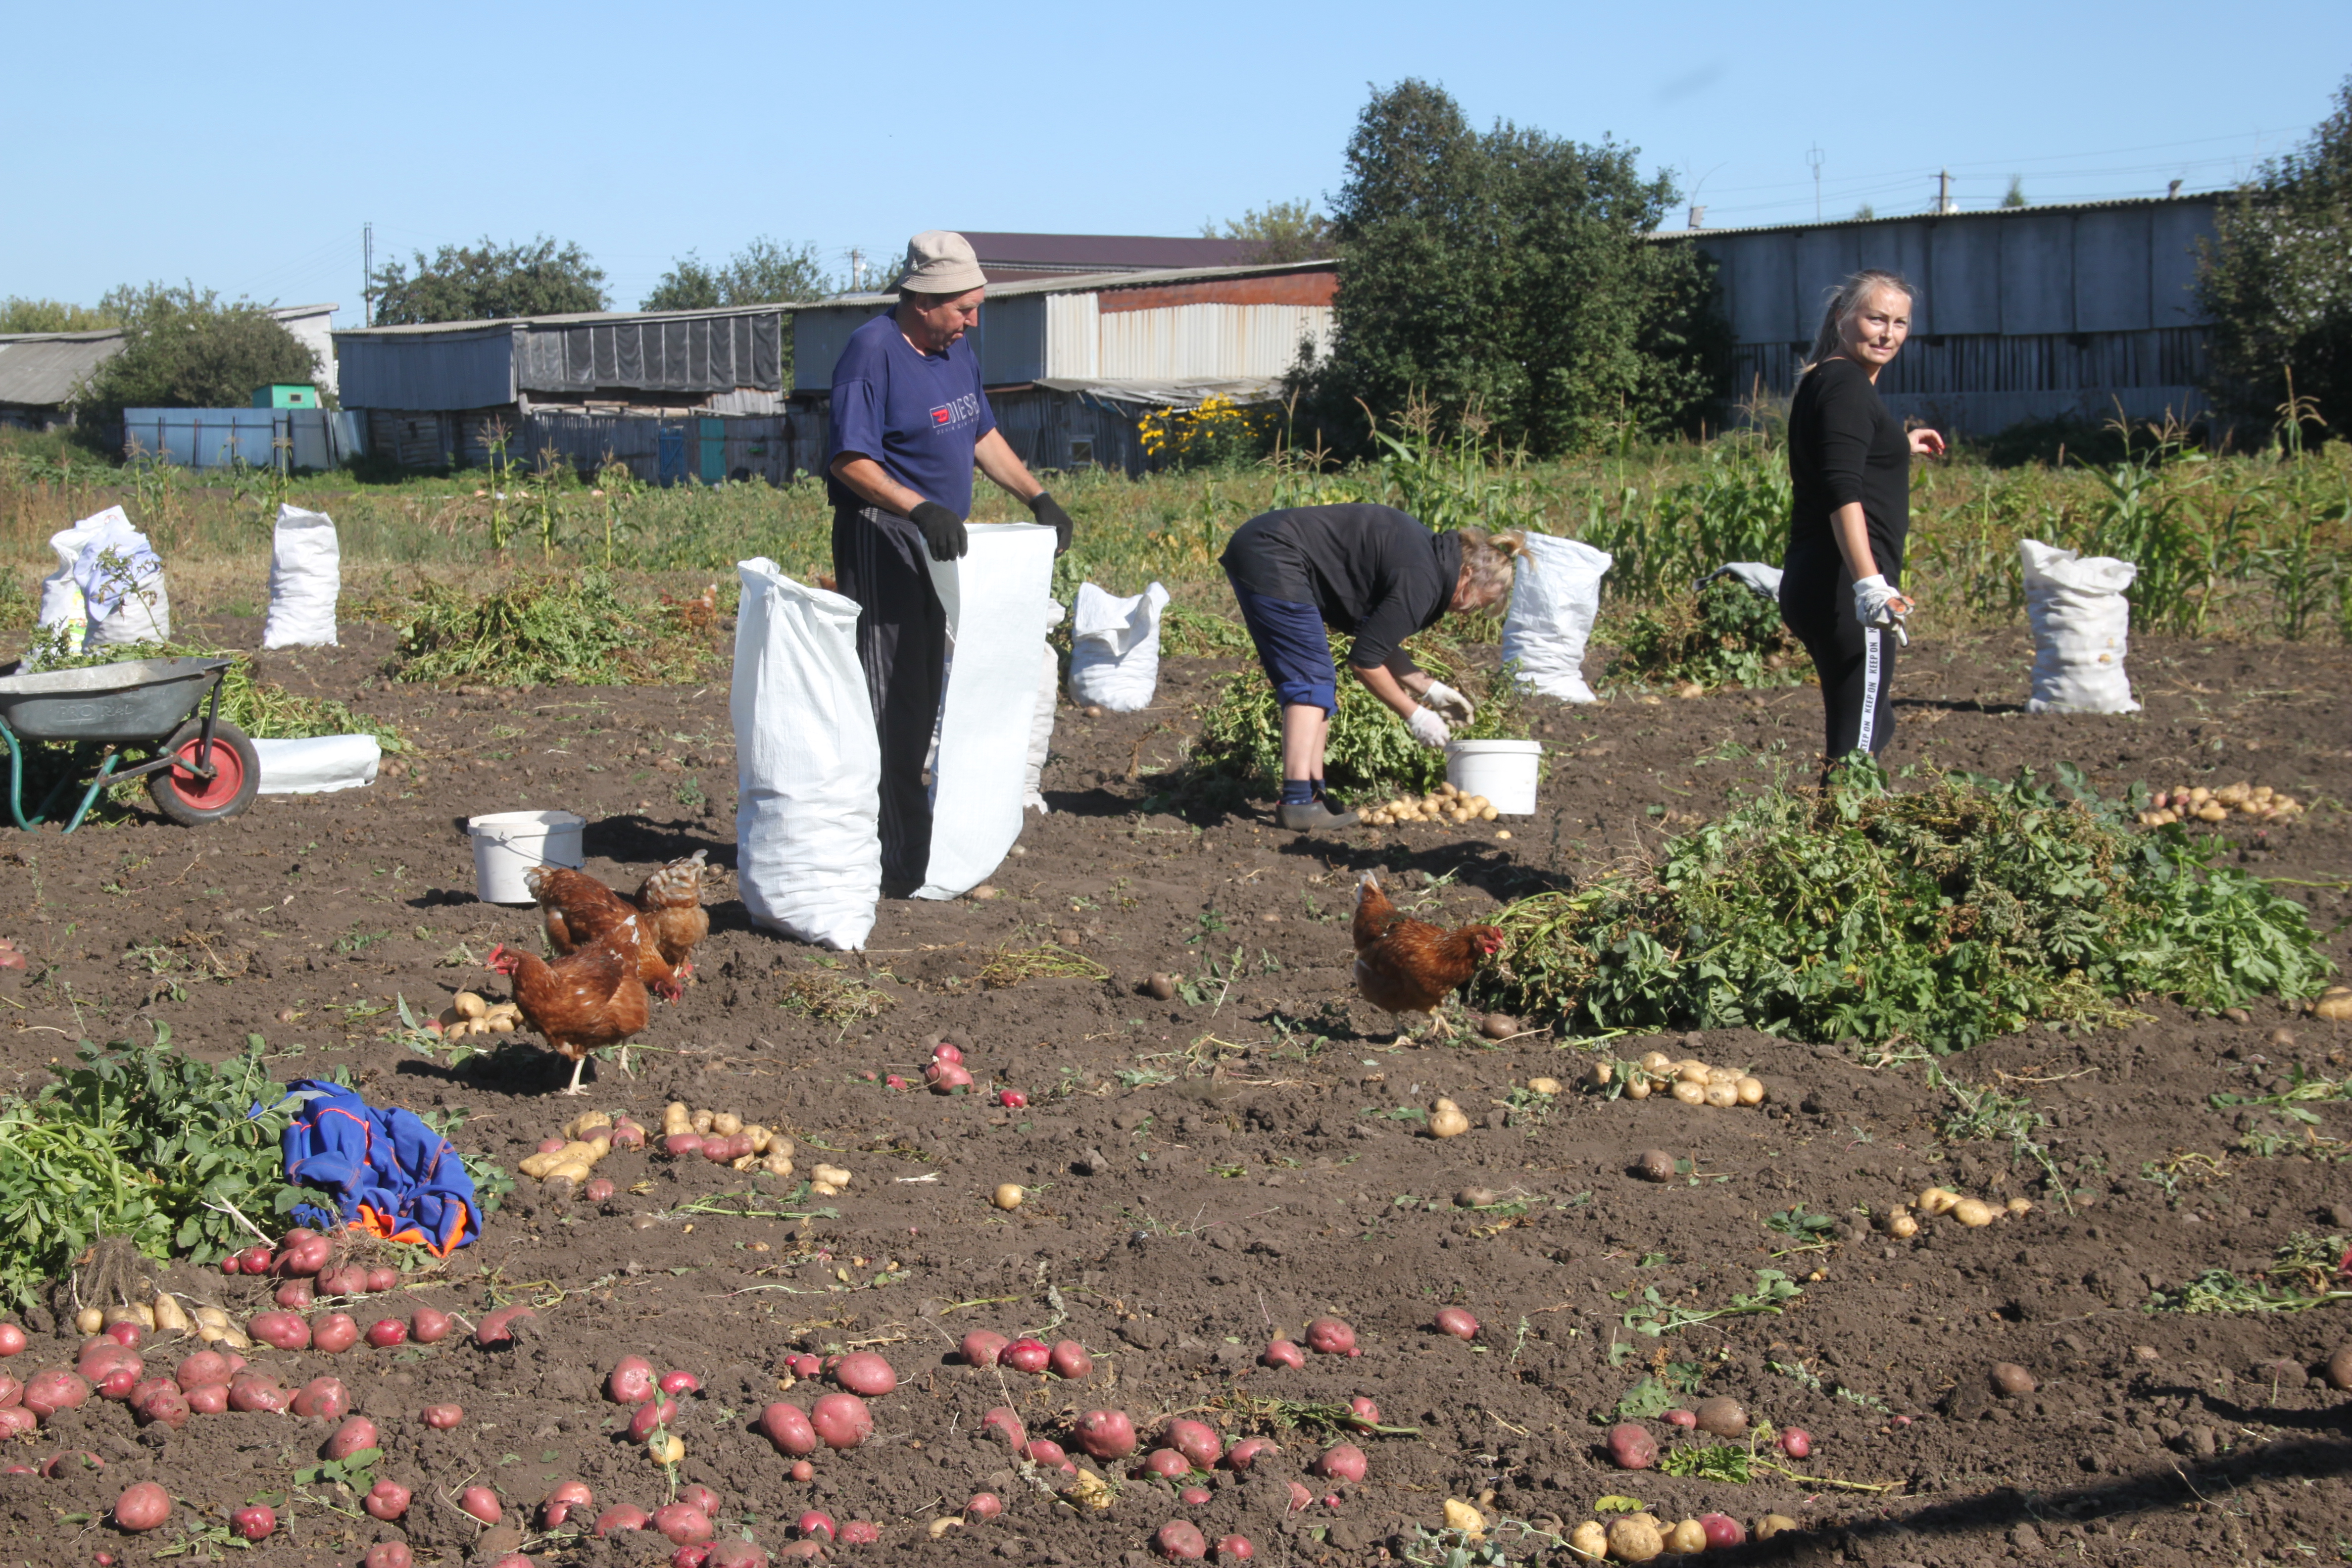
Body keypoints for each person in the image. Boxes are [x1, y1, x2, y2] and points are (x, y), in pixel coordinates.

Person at [827, 231, 1076, 897]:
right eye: (963, 308)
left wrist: (1038, 497)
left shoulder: (955, 349)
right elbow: (849, 461)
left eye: (976, 307)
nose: (973, 321)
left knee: (937, 691)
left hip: (940, 541)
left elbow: (981, 433)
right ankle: (893, 862)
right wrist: (917, 509)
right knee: (896, 702)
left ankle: (919, 844)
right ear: (924, 300)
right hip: (885, 539)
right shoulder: (871, 354)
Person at [1220, 503, 1527, 832]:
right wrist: (1415, 715)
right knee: (1310, 679)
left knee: (1319, 681)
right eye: (1478, 600)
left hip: (1272, 549)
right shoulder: (1423, 578)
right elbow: (1364, 663)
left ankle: (1313, 796)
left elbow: (1377, 643)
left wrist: (1431, 689)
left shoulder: (1432, 563)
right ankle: (1298, 804)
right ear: (1467, 574)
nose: (1470, 611)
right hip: (1274, 552)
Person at [1777, 269, 1945, 768]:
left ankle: (1846, 836)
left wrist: (1900, 445)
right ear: (1842, 318)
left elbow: (1847, 459)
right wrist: (1870, 583)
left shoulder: (1830, 380)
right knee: (1857, 746)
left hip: (1820, 580)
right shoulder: (1847, 385)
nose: (1887, 333)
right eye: (1875, 319)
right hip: (1844, 589)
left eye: (1900, 322)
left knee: (1871, 724)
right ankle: (1842, 839)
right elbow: (1841, 489)